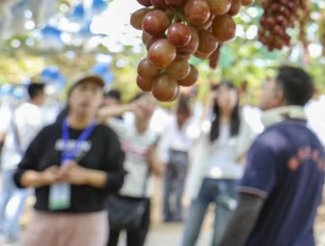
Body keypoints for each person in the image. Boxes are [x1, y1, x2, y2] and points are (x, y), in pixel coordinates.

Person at [218, 66, 325, 246]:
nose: (261, 91)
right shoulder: (315, 143)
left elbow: (247, 209)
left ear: (278, 96)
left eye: (266, 85)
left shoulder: (268, 141)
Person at [14, 74, 125, 246]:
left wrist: (86, 176)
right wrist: (43, 177)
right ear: (70, 96)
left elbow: (117, 179)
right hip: (45, 218)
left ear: (100, 100)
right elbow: (19, 176)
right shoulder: (49, 132)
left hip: (88, 221)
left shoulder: (106, 136)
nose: (88, 95)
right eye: (82, 89)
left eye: (94, 91)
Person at [182, 81, 254, 246]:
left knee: (221, 235)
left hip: (230, 180)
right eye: (221, 93)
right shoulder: (208, 121)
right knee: (190, 232)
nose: (225, 97)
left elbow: (250, 141)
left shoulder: (243, 124)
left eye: (230, 92)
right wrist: (206, 106)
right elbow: (193, 134)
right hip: (204, 178)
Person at [99, 93, 163, 246]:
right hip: (116, 196)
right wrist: (129, 107)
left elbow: (159, 172)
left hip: (141, 199)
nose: (148, 107)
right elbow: (98, 115)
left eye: (153, 104)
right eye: (145, 102)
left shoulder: (154, 137)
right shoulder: (121, 129)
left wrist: (152, 157)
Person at [0, 82, 47, 244]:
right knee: (17, 197)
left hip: (8, 160)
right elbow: (31, 142)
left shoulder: (18, 110)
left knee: (5, 195)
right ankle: (8, 232)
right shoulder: (34, 113)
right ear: (39, 95)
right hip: (20, 163)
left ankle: (0, 229)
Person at [159, 96, 193, 223]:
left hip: (172, 153)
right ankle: (177, 214)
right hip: (181, 154)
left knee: (168, 186)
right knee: (179, 186)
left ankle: (166, 214)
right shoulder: (187, 121)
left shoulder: (173, 120)